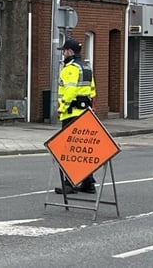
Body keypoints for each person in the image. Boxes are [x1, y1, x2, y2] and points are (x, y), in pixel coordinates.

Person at [55, 38, 97, 195]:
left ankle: (69, 183)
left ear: (70, 52)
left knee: (70, 150)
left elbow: (70, 91)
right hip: (85, 113)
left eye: (64, 51)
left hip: (71, 114)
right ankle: (88, 183)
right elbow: (92, 90)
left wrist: (62, 107)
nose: (63, 54)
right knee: (83, 149)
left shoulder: (70, 69)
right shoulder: (86, 66)